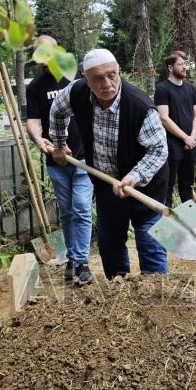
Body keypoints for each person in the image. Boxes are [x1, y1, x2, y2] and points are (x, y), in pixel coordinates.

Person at [49, 49, 169, 280]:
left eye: (112, 75)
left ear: (118, 72)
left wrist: (134, 177)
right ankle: (118, 294)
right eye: (98, 78)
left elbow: (158, 150)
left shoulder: (140, 106)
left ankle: (157, 300)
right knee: (109, 244)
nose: (107, 83)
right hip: (107, 186)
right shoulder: (76, 92)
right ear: (85, 78)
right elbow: (57, 110)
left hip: (146, 187)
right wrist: (59, 144)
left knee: (151, 244)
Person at [26, 36, 94, 285]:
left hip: (85, 157)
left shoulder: (77, 75)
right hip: (56, 160)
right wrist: (38, 139)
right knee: (66, 213)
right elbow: (33, 121)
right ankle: (72, 261)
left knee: (82, 208)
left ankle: (83, 262)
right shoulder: (35, 86)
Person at [154, 51, 196, 207]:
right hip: (172, 145)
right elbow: (164, 118)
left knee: (187, 184)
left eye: (185, 64)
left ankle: (189, 220)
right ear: (170, 67)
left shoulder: (191, 88)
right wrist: (184, 137)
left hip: (190, 143)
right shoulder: (162, 89)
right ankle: (167, 223)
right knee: (167, 185)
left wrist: (192, 137)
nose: (184, 67)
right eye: (180, 64)